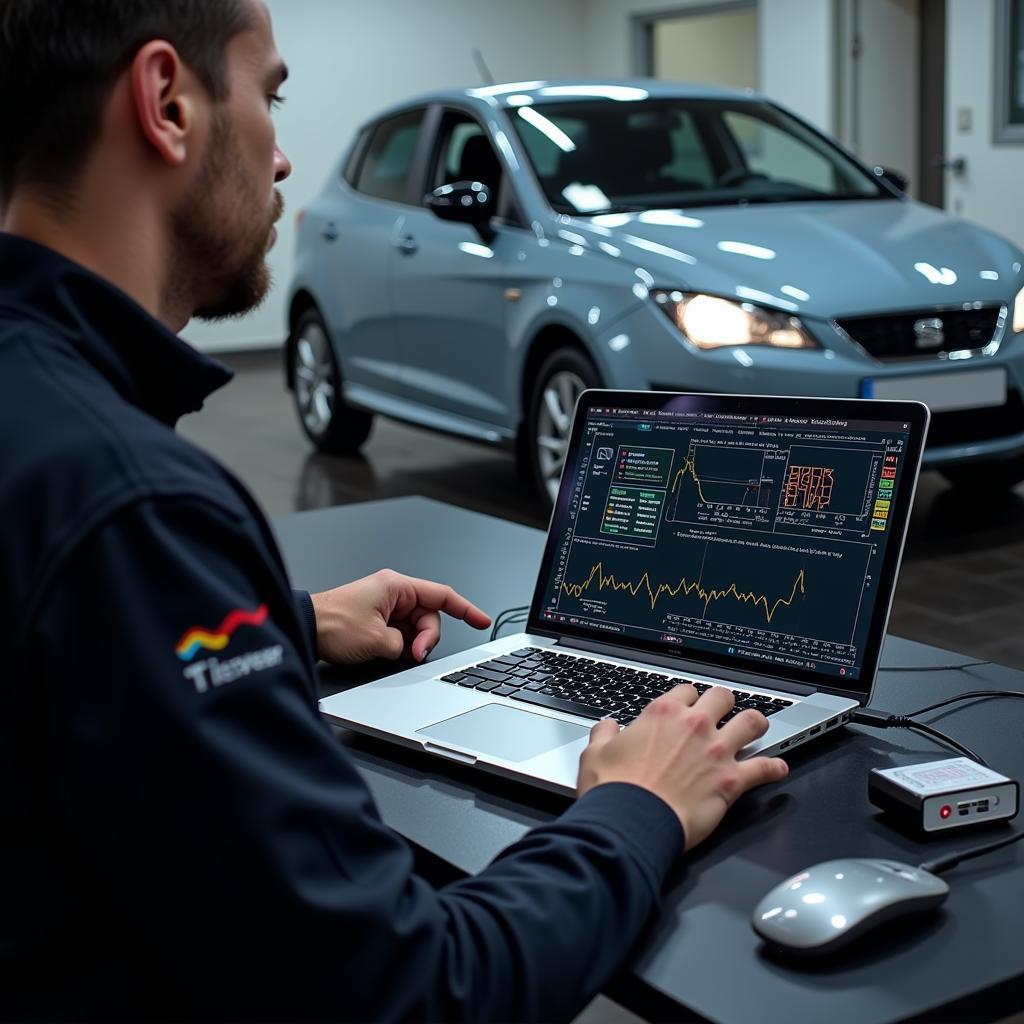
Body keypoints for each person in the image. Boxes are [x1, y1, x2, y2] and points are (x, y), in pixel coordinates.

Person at [0, 2, 789, 1020]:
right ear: (167, 103)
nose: (283, 161)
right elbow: (410, 991)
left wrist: (280, 617)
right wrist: (634, 807)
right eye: (269, 97)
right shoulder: (136, 507)